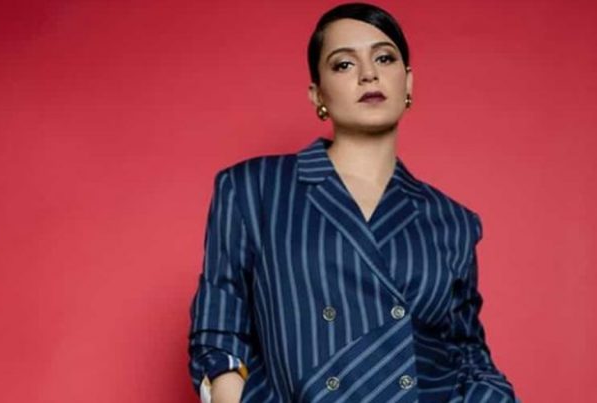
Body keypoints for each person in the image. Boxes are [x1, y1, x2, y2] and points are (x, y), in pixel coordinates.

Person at [187, 2, 519, 402]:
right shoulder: (254, 188)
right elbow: (220, 334)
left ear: (408, 82)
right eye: (344, 64)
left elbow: (467, 355)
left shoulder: (452, 220)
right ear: (318, 94)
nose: (368, 74)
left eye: (384, 58)